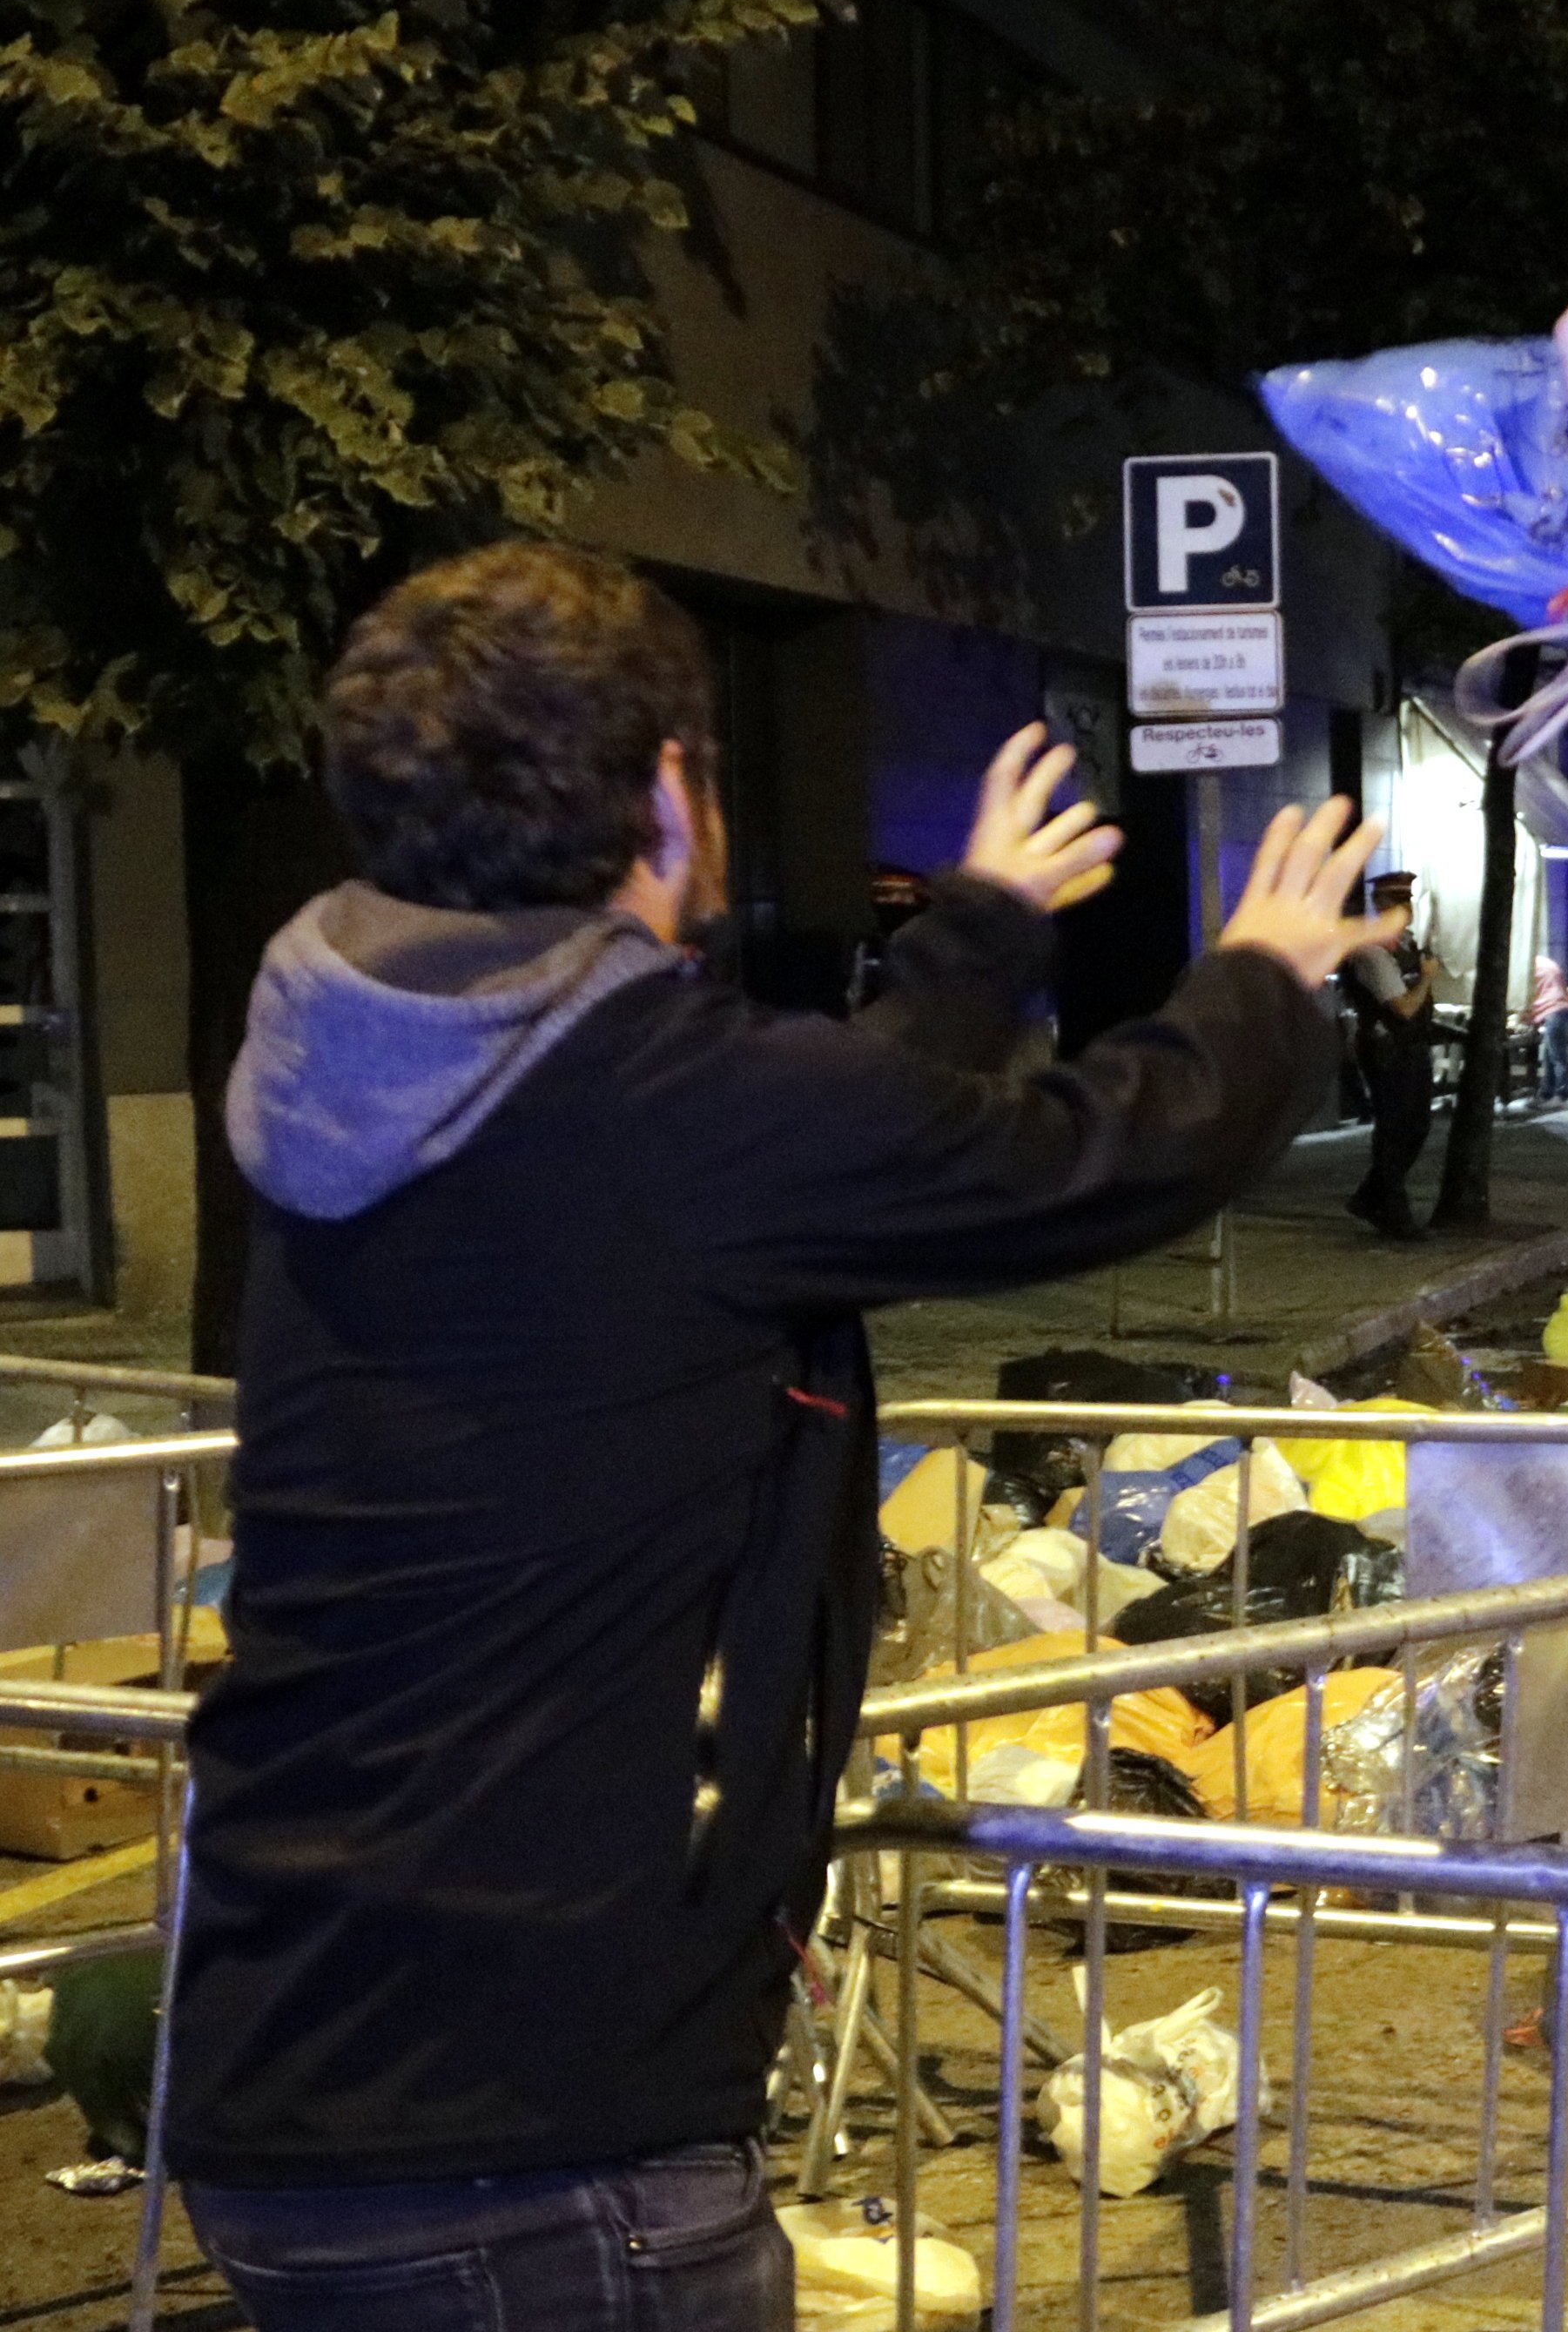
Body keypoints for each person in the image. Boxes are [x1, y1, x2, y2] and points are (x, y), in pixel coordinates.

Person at [170, 541, 1395, 2330]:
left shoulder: (373, 1064)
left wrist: (982, 925)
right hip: (540, 2130)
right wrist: (1267, 980)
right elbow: (1086, 1152)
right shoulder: (668, 1103)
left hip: (295, 2061)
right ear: (671, 792)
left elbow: (814, 1137)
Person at [1339, 873, 1440, 1233]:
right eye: (1396, 903)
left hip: (1411, 1047)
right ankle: (1393, 1213)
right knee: (1394, 1132)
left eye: (1407, 902)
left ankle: (1369, 1197)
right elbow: (1404, 1008)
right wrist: (1427, 977)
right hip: (1387, 1051)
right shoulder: (1373, 952)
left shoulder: (1405, 945)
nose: (1405, 909)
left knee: (1417, 1127)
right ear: (1379, 906)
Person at [1525, 951, 1568, 1113]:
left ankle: (1560, 1097)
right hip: (1564, 1009)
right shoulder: (1545, 962)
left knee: (1557, 1056)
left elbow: (1526, 995)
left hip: (1555, 1010)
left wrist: (1527, 1016)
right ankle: (1546, 1095)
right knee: (1549, 1056)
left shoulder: (1528, 966)